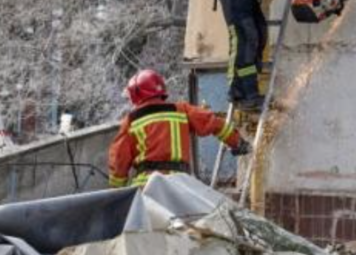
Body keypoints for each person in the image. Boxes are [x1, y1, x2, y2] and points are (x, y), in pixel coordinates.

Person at [108, 69, 252, 188]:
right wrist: (238, 143)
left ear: (136, 94)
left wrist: (117, 189)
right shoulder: (182, 110)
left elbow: (119, 159)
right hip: (180, 186)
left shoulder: (132, 121)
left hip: (146, 187)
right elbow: (214, 123)